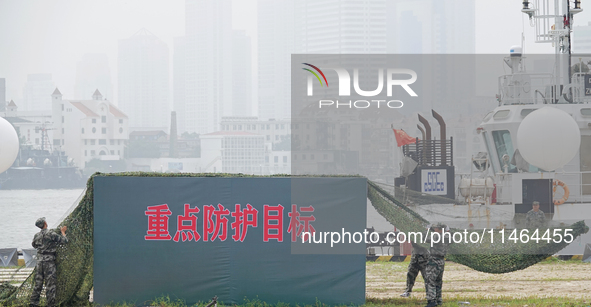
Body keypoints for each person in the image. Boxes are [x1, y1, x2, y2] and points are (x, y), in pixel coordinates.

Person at [30, 217, 68, 307]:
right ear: (45, 223)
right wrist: (63, 232)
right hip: (49, 262)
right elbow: (64, 241)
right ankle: (50, 304)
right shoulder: (51, 234)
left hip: (39, 262)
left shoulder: (36, 235)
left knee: (38, 284)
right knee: (50, 284)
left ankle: (33, 303)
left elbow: (34, 245)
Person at [424, 223, 450, 307]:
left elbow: (425, 239)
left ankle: (431, 301)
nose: (434, 229)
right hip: (441, 261)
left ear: (439, 229)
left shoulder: (436, 236)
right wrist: (448, 230)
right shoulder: (447, 237)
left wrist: (427, 230)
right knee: (438, 281)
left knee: (430, 280)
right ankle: (439, 300)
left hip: (434, 261)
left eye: (435, 228)